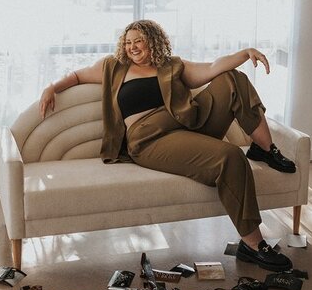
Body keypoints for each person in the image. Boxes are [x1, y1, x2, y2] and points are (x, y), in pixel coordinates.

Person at [40, 20, 296, 272]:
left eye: (138, 40)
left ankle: (265, 149)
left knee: (232, 79)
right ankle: (252, 243)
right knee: (229, 156)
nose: (132, 47)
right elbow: (75, 75)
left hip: (187, 124)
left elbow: (213, 67)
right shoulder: (114, 67)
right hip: (151, 139)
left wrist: (244, 53)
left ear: (152, 41)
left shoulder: (172, 66)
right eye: (128, 42)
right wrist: (52, 87)